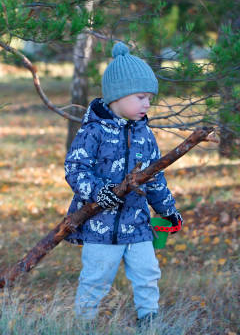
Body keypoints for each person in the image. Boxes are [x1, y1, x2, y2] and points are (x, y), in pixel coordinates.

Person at [64, 41, 182, 326]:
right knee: (95, 278)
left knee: (147, 273)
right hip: (99, 226)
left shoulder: (145, 135)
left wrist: (167, 210)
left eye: (149, 99)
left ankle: (149, 320)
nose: (147, 104)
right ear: (117, 96)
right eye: (141, 97)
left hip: (138, 224)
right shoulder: (93, 131)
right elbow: (75, 168)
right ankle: (83, 324)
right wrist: (97, 192)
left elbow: (154, 178)